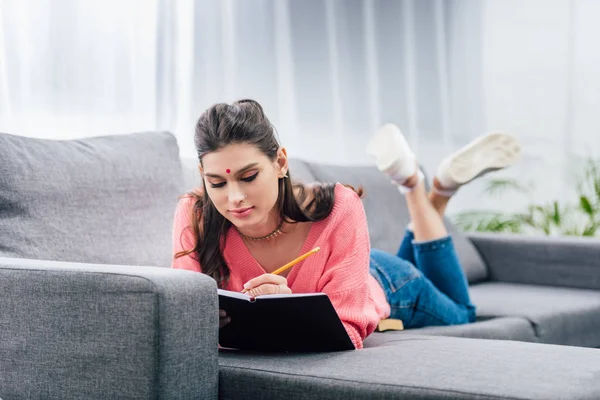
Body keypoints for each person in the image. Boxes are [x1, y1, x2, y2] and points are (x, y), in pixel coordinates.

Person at [172, 99, 521, 349]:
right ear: (203, 176)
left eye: (249, 177)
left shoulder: (339, 205)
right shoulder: (195, 212)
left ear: (280, 162)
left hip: (386, 283)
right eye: (217, 183)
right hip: (347, 268)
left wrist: (286, 308)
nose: (234, 198)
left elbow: (349, 330)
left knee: (463, 313)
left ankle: (420, 189)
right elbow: (183, 310)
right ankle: (435, 193)